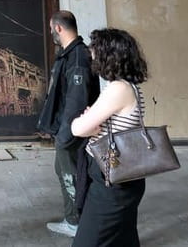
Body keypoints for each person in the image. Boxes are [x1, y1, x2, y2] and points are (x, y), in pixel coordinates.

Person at [70, 28, 149, 246]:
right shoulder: (130, 86)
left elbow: (77, 128)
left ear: (109, 55)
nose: (92, 55)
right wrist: (94, 124)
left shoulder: (118, 89)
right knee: (122, 240)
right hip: (125, 175)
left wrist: (89, 124)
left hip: (111, 180)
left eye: (95, 50)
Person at [38, 10, 101, 237]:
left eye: (51, 28)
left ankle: (76, 223)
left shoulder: (77, 58)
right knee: (64, 170)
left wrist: (65, 136)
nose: (50, 32)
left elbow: (76, 102)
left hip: (73, 132)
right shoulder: (70, 54)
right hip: (68, 130)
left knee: (71, 174)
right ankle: (75, 219)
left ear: (58, 28)